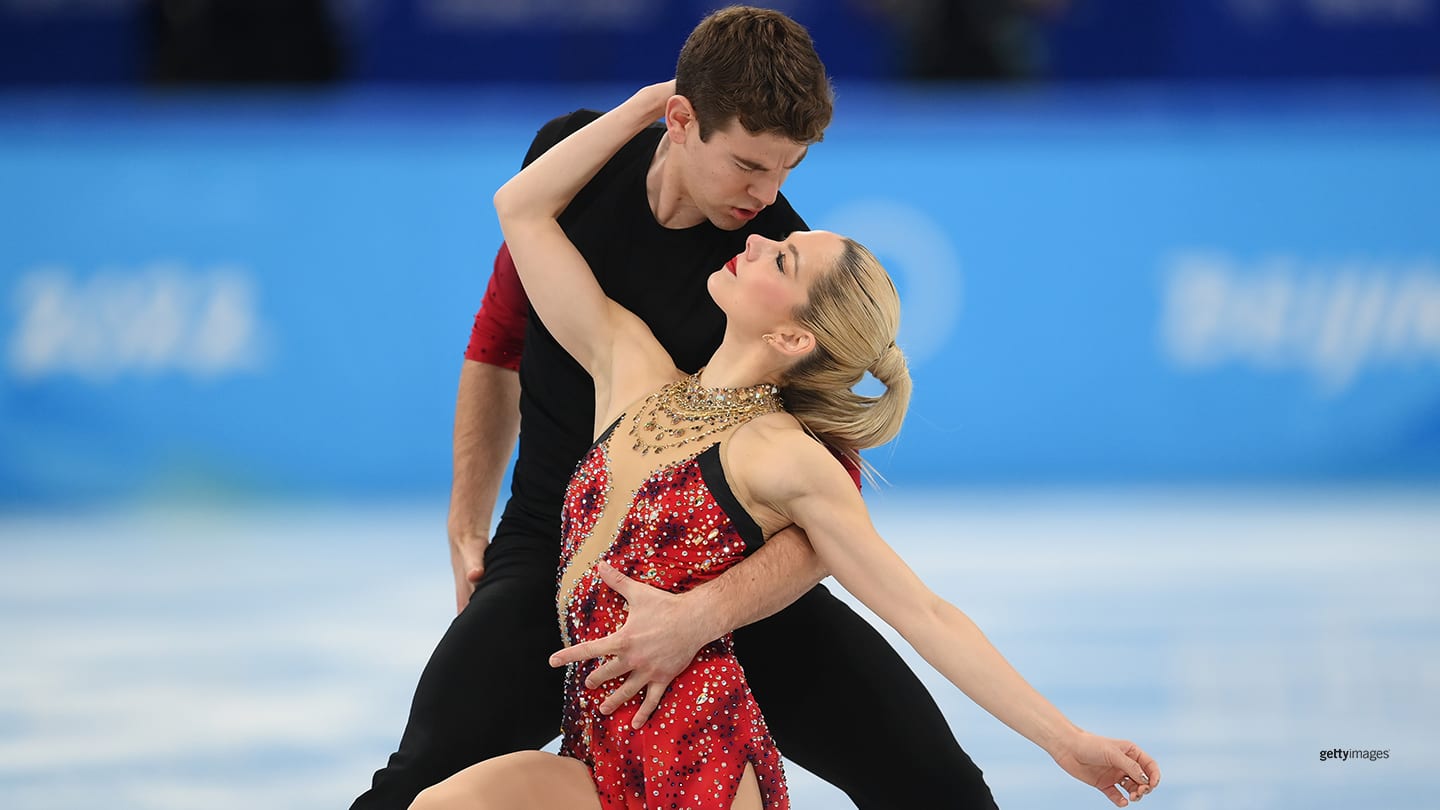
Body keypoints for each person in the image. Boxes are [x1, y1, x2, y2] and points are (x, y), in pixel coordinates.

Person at [409, 80, 1162, 810]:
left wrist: (1066, 741)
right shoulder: (633, 369)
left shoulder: (782, 455)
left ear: (794, 334)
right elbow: (520, 210)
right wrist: (651, 107)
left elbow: (925, 613)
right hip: (603, 755)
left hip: (694, 770)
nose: (762, 233)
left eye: (784, 258)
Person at [353, 7, 1000, 809]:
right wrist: (465, 518)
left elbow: (829, 512)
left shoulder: (772, 277)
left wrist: (701, 613)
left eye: (787, 169)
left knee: (941, 791)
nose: (766, 197)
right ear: (682, 120)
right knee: (416, 783)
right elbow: (500, 338)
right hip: (555, 546)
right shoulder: (572, 161)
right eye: (747, 166)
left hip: (714, 570)